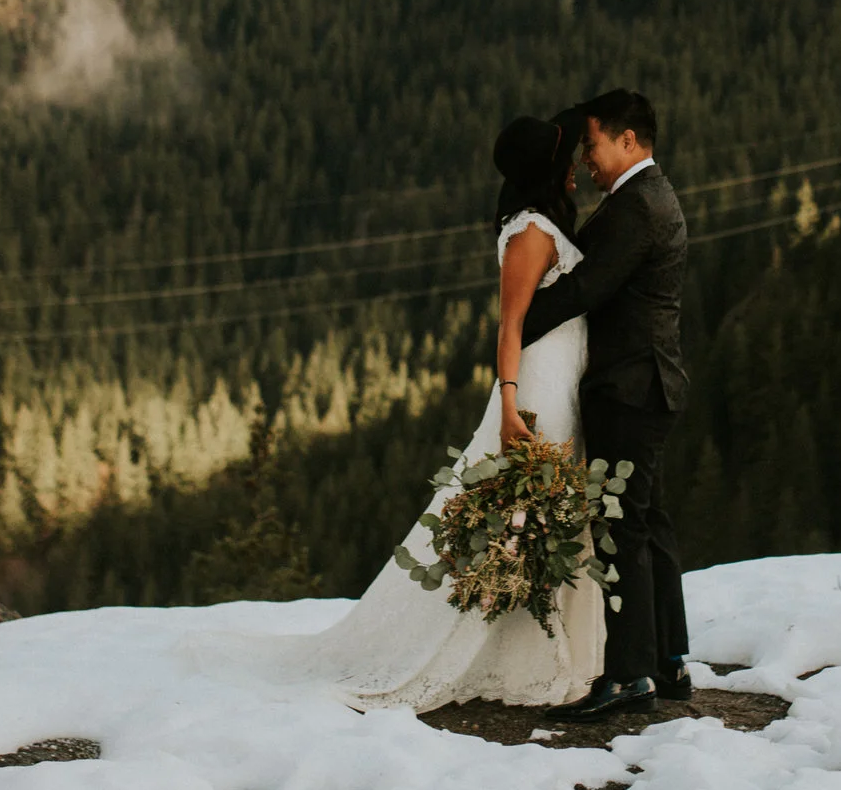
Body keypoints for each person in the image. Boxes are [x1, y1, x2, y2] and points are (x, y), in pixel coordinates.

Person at [202, 108, 605, 708]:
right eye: (565, 158)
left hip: (563, 379)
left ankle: (547, 646)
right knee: (525, 517)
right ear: (545, 170)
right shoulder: (530, 233)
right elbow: (511, 326)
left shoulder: (543, 224)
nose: (575, 167)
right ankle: (516, 651)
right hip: (538, 387)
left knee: (544, 519)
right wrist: (509, 403)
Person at [520, 88, 691, 720]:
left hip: (629, 387)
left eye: (592, 144)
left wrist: (514, 325)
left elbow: (585, 289)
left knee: (620, 527)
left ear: (628, 140)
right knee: (649, 522)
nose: (586, 158)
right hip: (650, 384)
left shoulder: (636, 207)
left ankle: (627, 675)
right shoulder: (648, 195)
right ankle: (667, 662)